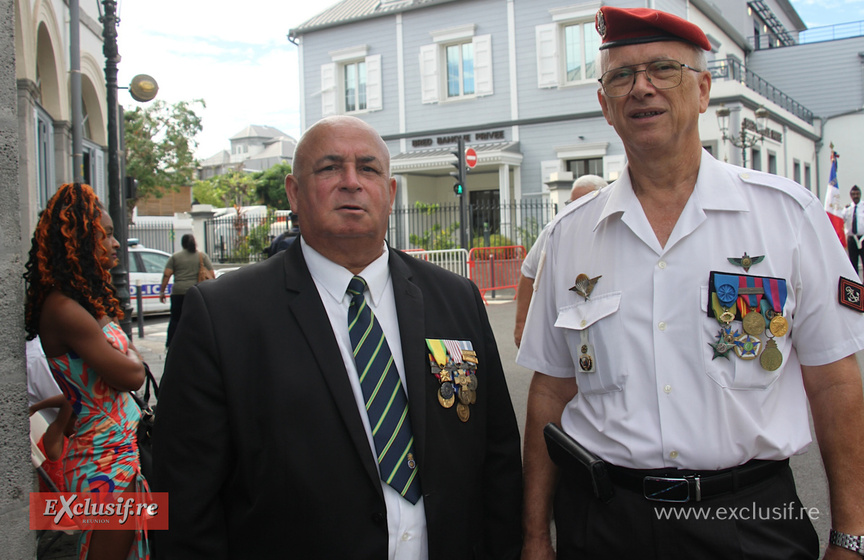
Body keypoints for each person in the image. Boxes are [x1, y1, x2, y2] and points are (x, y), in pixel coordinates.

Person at [518, 7, 864, 560]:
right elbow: (550, 392)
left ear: (703, 91)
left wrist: (851, 536)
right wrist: (535, 537)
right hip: (605, 523)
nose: (642, 87)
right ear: (605, 106)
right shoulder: (569, 237)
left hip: (747, 520)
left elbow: (834, 383)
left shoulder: (788, 217)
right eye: (621, 76)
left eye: (663, 68)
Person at [152, 115, 523, 559]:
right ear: (294, 192)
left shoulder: (456, 298)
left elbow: (498, 455)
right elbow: (183, 497)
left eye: (368, 168)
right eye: (329, 168)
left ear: (390, 193)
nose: (351, 181)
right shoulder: (223, 315)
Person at [24, 182, 149, 559]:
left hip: (118, 452)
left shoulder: (81, 304)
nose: (115, 243)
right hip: (104, 462)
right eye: (106, 234)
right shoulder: (64, 309)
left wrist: (128, 354)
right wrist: (131, 355)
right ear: (79, 241)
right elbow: (133, 376)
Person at [513, 175, 606, 347]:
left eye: (585, 203)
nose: (577, 210)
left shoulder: (616, 231)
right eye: (572, 204)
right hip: (563, 334)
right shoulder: (555, 232)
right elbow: (529, 273)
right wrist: (521, 324)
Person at [158, 234, 214, 348]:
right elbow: (212, 275)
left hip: (178, 292)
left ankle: (170, 345)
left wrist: (162, 291)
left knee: (175, 319)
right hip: (196, 292)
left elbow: (167, 274)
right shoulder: (201, 256)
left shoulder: (175, 257)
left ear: (182, 244)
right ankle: (196, 344)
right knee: (197, 319)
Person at [844, 185, 864, 276]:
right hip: (852, 239)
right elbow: (841, 220)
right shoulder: (847, 209)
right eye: (854, 194)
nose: (856, 196)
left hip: (862, 238)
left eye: (857, 194)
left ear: (860, 194)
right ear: (851, 196)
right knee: (853, 263)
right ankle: (855, 282)